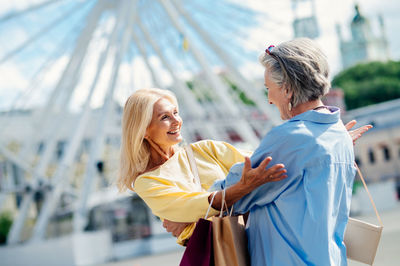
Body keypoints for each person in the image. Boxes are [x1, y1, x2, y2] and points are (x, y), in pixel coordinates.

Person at [208, 38, 364, 265]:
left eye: (269, 89)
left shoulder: (289, 138)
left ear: (288, 89)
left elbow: (228, 196)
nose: (269, 100)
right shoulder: (339, 135)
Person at [117, 88, 288, 245]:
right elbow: (194, 206)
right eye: (165, 117)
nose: (177, 121)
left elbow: (264, 166)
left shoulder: (206, 149)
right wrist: (244, 187)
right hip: (222, 250)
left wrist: (192, 219)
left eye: (175, 112)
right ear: (143, 130)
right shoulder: (147, 181)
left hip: (262, 235)